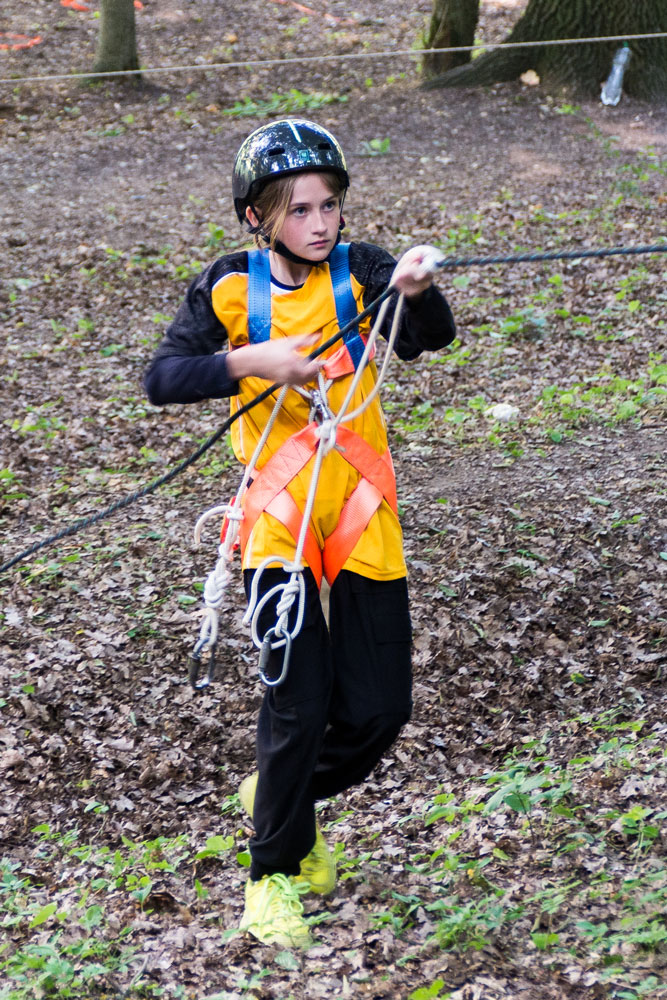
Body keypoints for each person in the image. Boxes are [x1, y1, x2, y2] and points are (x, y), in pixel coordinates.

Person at [144, 119, 456, 949]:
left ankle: (275, 795)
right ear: (258, 217)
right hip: (278, 515)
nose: (320, 224)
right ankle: (270, 877)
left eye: (329, 206)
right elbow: (162, 378)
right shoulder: (228, 287)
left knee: (380, 709)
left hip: (360, 507)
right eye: (299, 210)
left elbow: (429, 338)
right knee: (298, 699)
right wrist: (255, 361)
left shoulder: (365, 270)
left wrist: (416, 290)